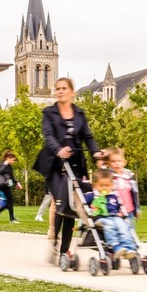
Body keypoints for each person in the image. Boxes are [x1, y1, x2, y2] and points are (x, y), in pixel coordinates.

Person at [33, 77, 101, 263]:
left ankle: (64, 251)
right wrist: (59, 149)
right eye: (58, 88)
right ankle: (54, 239)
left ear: (72, 91)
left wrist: (96, 153)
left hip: (76, 164)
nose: (60, 91)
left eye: (64, 88)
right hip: (55, 165)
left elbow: (88, 137)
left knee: (71, 207)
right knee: (61, 202)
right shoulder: (49, 113)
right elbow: (48, 136)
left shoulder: (79, 113)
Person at [89, 168, 137, 259]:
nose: (104, 188)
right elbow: (82, 203)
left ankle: (129, 247)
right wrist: (91, 207)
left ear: (111, 186)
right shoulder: (93, 195)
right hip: (101, 218)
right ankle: (116, 246)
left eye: (107, 185)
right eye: (101, 185)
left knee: (123, 226)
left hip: (115, 217)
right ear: (95, 186)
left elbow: (119, 206)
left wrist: (121, 213)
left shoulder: (114, 196)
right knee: (109, 225)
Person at [0, 150, 22, 223]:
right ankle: (12, 219)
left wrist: (17, 183)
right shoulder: (2, 164)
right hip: (2, 185)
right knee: (10, 202)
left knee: (9, 203)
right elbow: (0, 171)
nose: (13, 162)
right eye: (12, 160)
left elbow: (12, 176)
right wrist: (5, 163)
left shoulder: (9, 166)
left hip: (7, 184)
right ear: (7, 158)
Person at [109, 148, 141, 221]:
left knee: (129, 231)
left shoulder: (129, 176)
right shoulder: (108, 176)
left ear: (124, 162)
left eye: (119, 161)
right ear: (108, 163)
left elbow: (135, 192)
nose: (116, 163)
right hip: (115, 213)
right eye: (113, 161)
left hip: (129, 212)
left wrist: (137, 208)